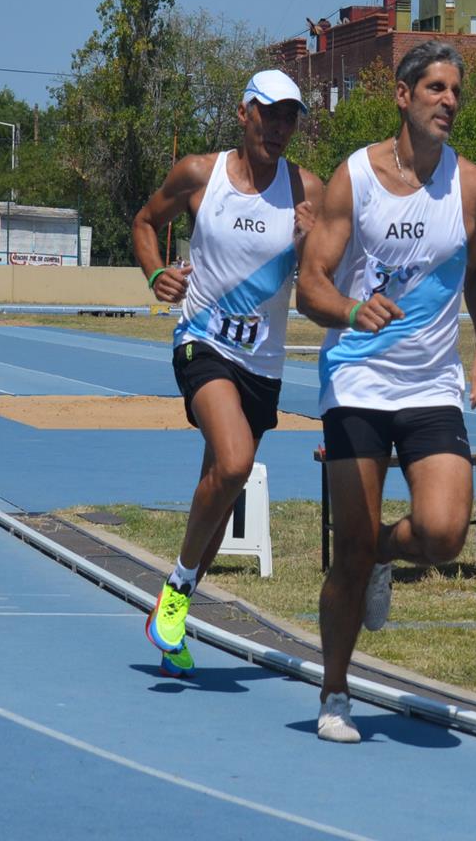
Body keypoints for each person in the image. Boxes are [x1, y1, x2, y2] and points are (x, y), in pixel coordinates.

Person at [298, 40, 476, 742]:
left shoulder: (472, 187)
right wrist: (353, 311)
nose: (448, 101)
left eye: (456, 91)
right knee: (348, 546)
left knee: (444, 535)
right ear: (403, 95)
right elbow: (310, 284)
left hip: (430, 381)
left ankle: (384, 554)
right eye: (436, 88)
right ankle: (334, 693)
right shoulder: (354, 178)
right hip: (355, 376)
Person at [131, 70, 323, 678]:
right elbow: (142, 221)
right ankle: (179, 589)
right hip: (202, 342)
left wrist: (313, 245)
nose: (279, 127)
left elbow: (326, 284)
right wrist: (155, 274)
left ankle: (174, 609)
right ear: (243, 112)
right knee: (236, 460)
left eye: (290, 116)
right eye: (269, 113)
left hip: (263, 365)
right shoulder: (199, 174)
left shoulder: (306, 192)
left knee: (221, 487)